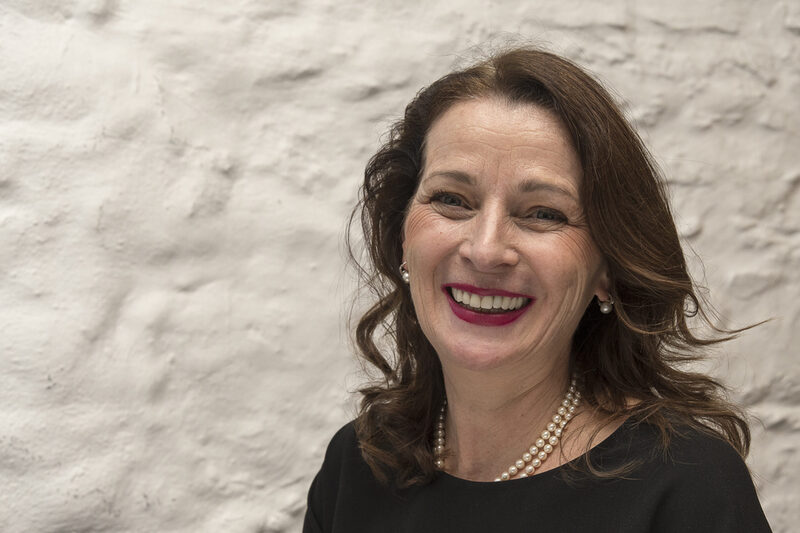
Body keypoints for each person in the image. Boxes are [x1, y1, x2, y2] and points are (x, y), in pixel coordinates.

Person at [303, 47, 772, 532]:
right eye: (452, 200)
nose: (486, 250)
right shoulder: (357, 467)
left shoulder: (688, 487)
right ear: (403, 238)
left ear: (608, 268)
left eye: (544, 213)